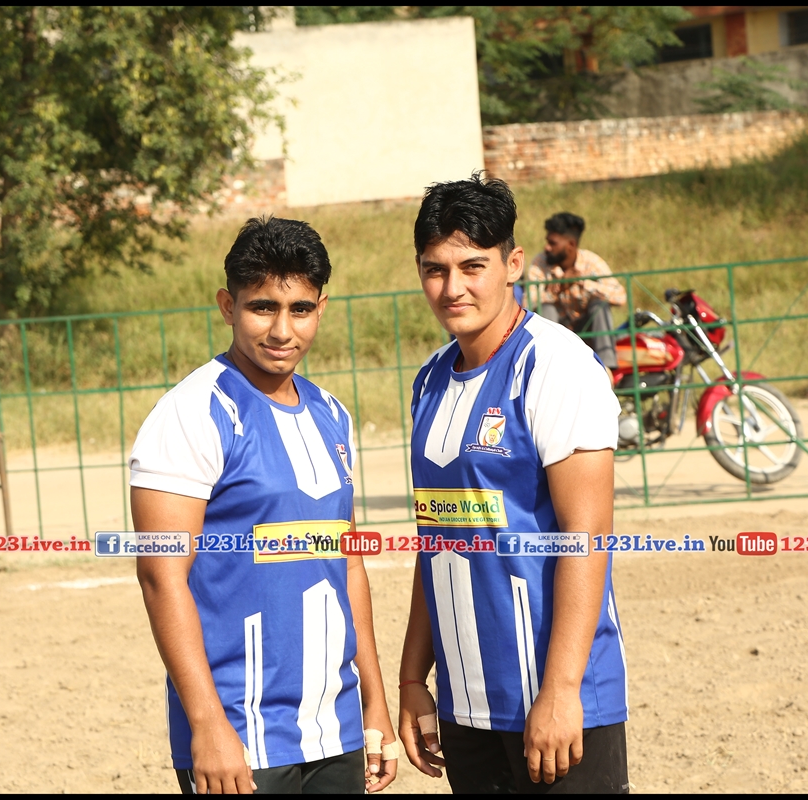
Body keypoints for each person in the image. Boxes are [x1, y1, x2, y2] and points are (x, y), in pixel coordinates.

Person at [130, 217, 397, 794]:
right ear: (228, 306)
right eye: (262, 308)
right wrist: (207, 726)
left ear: (320, 309)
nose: (282, 330)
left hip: (336, 729)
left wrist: (374, 701)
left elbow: (348, 562)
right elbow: (160, 577)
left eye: (300, 309)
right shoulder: (191, 413)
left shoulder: (333, 414)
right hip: (238, 734)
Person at [398, 175, 629, 793]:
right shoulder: (429, 380)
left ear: (513, 264)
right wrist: (413, 676)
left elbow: (587, 539)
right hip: (466, 703)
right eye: (435, 270)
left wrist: (561, 691)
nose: (453, 288)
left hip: (554, 702)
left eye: (472, 266)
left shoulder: (557, 366)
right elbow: (437, 537)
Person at [525, 212, 625, 376]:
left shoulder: (591, 262)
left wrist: (583, 282)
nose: (547, 247)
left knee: (599, 305)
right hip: (558, 330)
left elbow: (620, 296)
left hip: (587, 328)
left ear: (570, 244)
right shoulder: (540, 263)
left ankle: (607, 368)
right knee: (545, 308)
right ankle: (552, 366)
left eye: (552, 243)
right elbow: (528, 303)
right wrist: (559, 288)